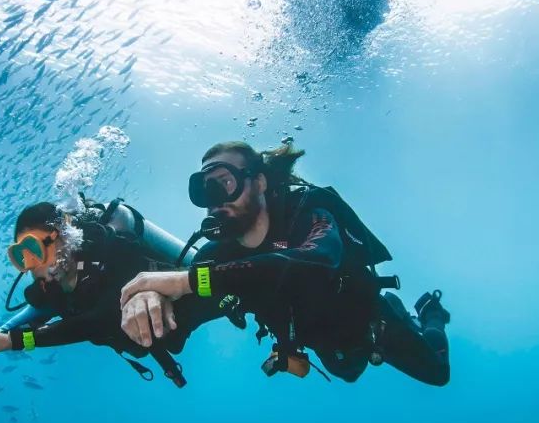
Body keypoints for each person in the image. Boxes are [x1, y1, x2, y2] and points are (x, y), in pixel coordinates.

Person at [118, 141, 451, 386]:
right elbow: (174, 334)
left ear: (260, 182)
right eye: (205, 190)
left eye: (224, 183)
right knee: (347, 373)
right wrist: (149, 302)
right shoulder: (216, 259)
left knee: (438, 374)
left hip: (371, 324)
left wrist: (184, 281)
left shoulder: (308, 216)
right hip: (322, 344)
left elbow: (317, 261)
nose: (214, 200)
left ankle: (430, 314)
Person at [0, 199, 193, 387]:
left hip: (186, 307)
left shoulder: (111, 254)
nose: (33, 266)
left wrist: (12, 341)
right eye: (21, 257)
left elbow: (99, 320)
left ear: (61, 236)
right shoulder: (54, 284)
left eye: (34, 250)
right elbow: (38, 310)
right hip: (145, 339)